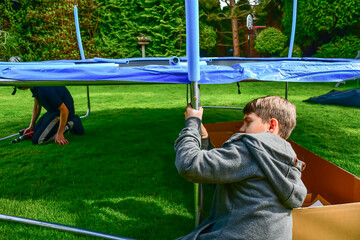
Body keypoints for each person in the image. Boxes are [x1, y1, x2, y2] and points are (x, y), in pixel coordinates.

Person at [174, 95, 307, 240]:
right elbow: (223, 176)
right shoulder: (286, 157)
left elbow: (189, 164)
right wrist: (205, 140)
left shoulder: (252, 149)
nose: (241, 129)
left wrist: (192, 123)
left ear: (271, 126)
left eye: (248, 122)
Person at [17, 86, 84, 145]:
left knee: (38, 140)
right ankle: (58, 125)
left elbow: (64, 110)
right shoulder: (34, 86)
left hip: (64, 113)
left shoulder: (45, 89)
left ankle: (71, 123)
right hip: (53, 112)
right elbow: (37, 106)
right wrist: (31, 126)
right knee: (34, 131)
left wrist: (60, 134)